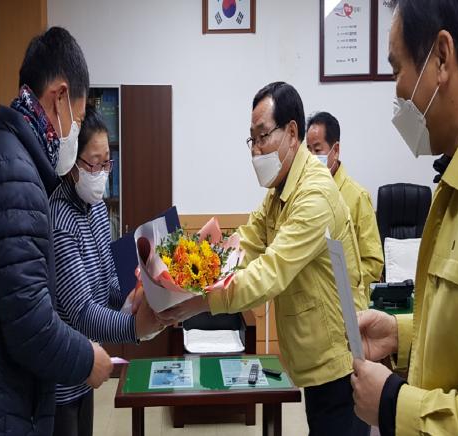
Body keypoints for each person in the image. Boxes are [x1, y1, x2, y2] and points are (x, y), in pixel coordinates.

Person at [158, 82, 369, 435]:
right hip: (316, 357)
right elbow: (244, 243)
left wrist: (198, 304)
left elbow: (269, 273)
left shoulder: (314, 193)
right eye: (251, 140)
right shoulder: (280, 190)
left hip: (340, 361)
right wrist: (190, 268)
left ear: (291, 133)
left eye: (263, 136)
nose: (256, 150)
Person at [0, 27, 113, 436]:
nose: (75, 134)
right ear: (59, 97)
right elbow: (29, 322)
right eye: (78, 120)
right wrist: (88, 359)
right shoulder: (14, 173)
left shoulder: (6, 157)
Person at [351, 1, 458, 435]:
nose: (396, 90)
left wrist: (391, 405)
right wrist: (403, 334)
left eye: (397, 68)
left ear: (442, 58)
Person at [50, 105, 162, 436]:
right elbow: (81, 312)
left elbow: (108, 280)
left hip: (88, 365)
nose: (101, 173)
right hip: (61, 373)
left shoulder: (97, 208)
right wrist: (134, 327)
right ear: (72, 165)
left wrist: (138, 295)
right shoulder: (60, 220)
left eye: (106, 163)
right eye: (93, 163)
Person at [307, 112, 383, 297]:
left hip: (348, 302)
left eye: (317, 150)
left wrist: (339, 281)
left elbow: (373, 264)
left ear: (336, 150)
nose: (311, 157)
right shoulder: (305, 194)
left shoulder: (357, 197)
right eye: (308, 150)